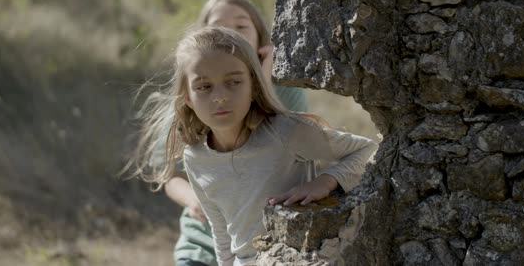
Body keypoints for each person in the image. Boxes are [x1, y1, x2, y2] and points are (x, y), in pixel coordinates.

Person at [124, 27, 378, 266]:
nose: (220, 96)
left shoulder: (286, 132)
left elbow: (367, 151)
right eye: (204, 87)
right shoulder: (195, 157)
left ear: (254, 86)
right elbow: (221, 230)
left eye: (233, 82)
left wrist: (326, 181)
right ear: (187, 98)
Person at [168, 0, 308, 266]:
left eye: (241, 26)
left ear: (260, 38)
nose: (229, 34)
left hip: (260, 243)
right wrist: (195, 200)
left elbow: (295, 149)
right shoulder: (196, 97)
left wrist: (262, 82)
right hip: (203, 238)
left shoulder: (285, 88)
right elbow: (169, 175)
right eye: (217, 26)